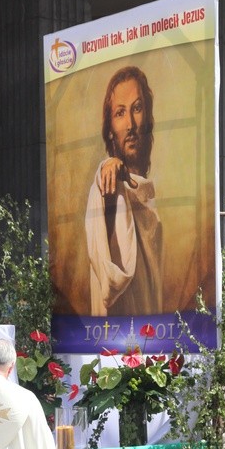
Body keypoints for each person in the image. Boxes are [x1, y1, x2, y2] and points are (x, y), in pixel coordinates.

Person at [85, 65, 162, 316]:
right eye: (120, 113)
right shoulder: (110, 187)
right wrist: (106, 167)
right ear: (110, 128)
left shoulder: (149, 192)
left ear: (147, 119)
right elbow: (105, 186)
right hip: (118, 334)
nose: (130, 123)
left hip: (153, 334)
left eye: (137, 109)